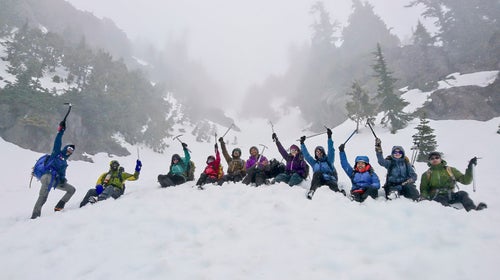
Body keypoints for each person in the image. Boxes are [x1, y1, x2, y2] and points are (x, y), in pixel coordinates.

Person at [31, 121, 76, 219]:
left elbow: (62, 173)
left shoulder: (64, 162)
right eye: (69, 148)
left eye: (72, 150)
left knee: (72, 189)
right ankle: (35, 216)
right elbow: (57, 141)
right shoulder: (56, 154)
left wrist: (63, 179)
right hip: (47, 176)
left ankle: (59, 206)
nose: (70, 151)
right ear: (65, 148)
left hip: (55, 179)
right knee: (43, 197)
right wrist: (61, 131)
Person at [419, 152, 487, 211]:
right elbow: (424, 189)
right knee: (440, 201)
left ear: (440, 159)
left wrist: (470, 167)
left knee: (462, 194)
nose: (435, 159)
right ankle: (455, 213)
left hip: (450, 195)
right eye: (432, 158)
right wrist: (424, 197)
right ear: (429, 161)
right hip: (436, 197)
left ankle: (472, 209)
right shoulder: (426, 174)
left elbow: (466, 181)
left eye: (437, 157)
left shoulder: (450, 170)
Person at [300, 128, 341, 199]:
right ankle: (312, 191)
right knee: (317, 174)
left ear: (323, 152)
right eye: (317, 152)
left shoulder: (329, 161)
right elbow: (307, 156)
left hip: (329, 179)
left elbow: (331, 151)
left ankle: (338, 193)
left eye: (320, 152)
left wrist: (329, 137)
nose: (318, 153)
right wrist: (302, 144)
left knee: (332, 184)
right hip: (319, 181)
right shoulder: (315, 163)